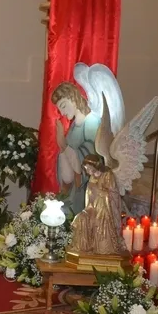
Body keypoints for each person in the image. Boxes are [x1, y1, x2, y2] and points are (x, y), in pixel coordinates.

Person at [51, 81, 99, 215]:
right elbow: (67, 160)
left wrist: (63, 144)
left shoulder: (91, 122)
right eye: (60, 109)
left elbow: (91, 159)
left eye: (63, 106)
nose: (62, 112)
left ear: (73, 97)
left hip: (85, 192)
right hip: (71, 189)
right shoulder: (73, 127)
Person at [67, 154, 126, 256]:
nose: (87, 171)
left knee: (101, 217)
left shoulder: (107, 174)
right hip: (93, 208)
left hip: (107, 210)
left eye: (89, 168)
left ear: (95, 166)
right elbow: (89, 198)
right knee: (81, 218)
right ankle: (84, 247)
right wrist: (87, 210)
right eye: (86, 169)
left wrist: (100, 192)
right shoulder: (91, 178)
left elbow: (113, 194)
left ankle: (103, 248)